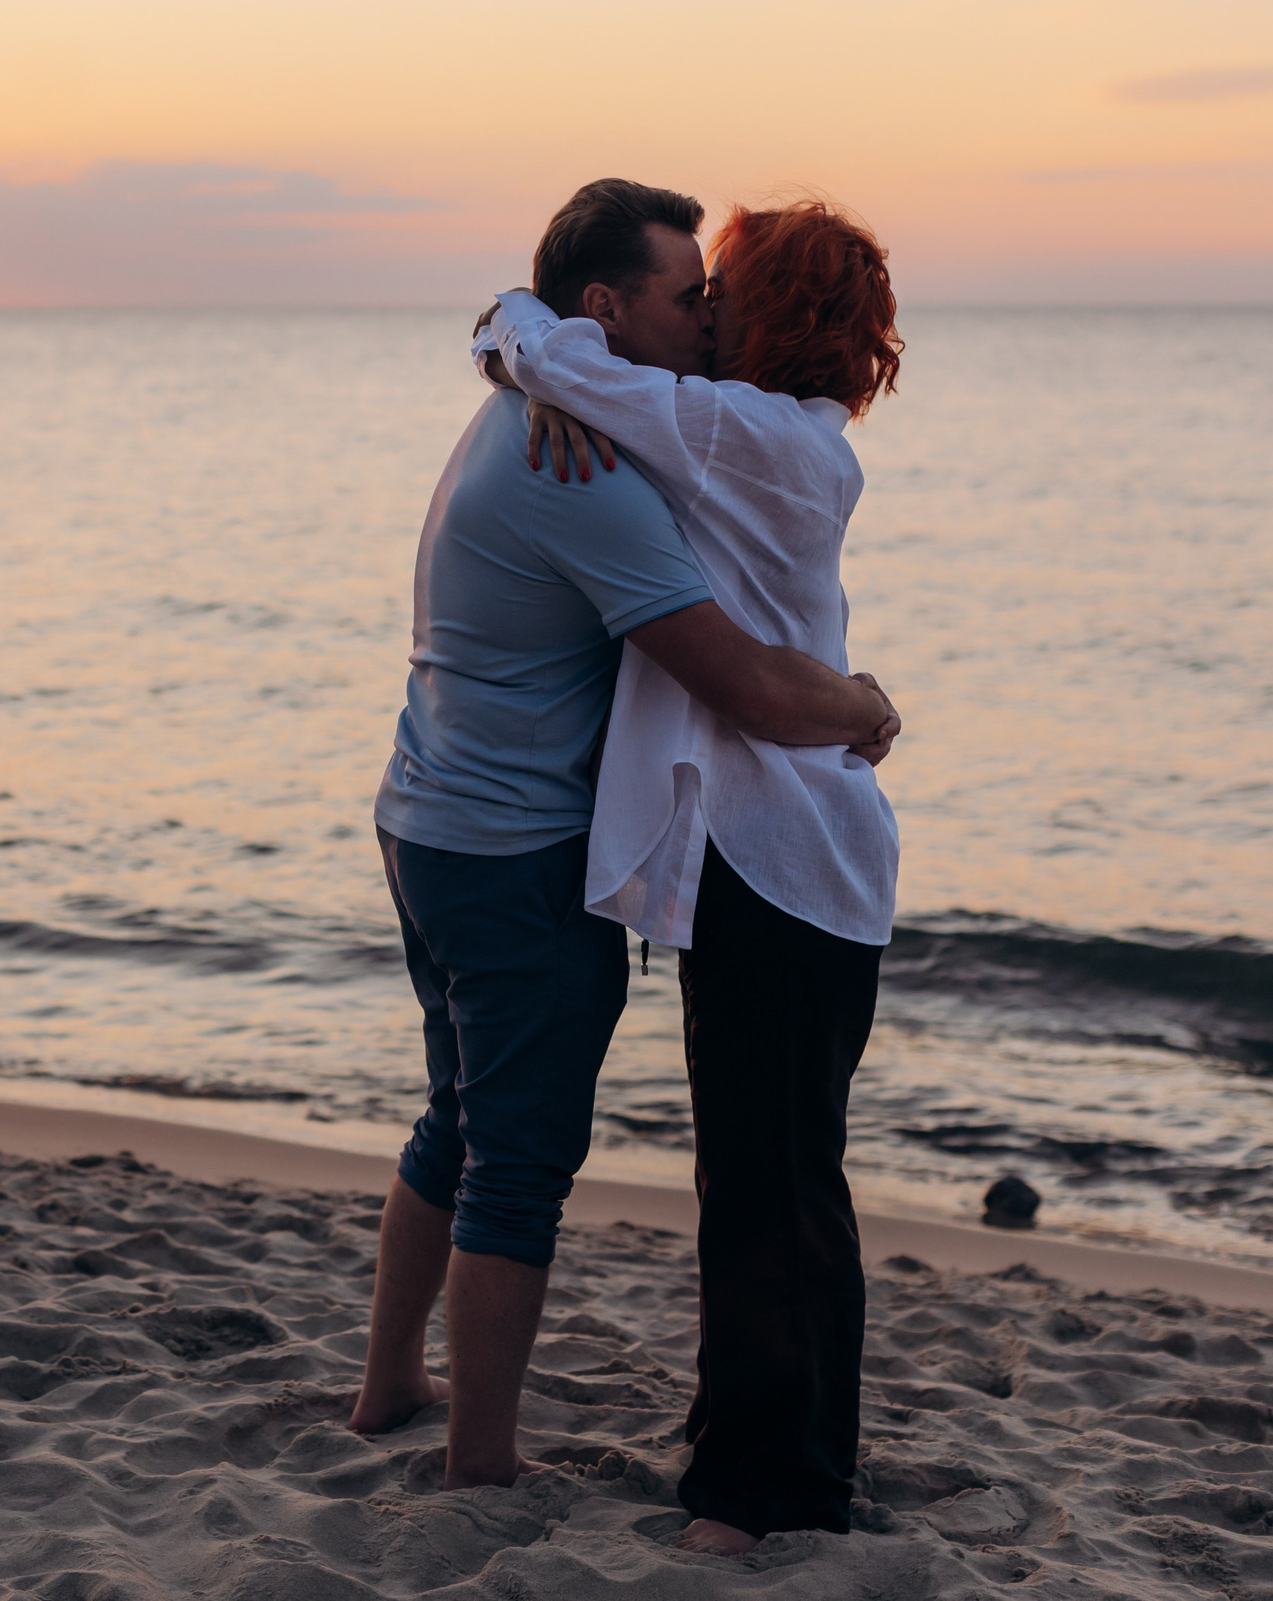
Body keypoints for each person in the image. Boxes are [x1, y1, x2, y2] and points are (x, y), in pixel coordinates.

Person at [350, 179, 899, 1494]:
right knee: (519, 1159)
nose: (706, 316)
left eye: (722, 296)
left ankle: (393, 1388)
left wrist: (516, 342)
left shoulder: (551, 416)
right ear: (606, 310)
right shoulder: (589, 465)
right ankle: (481, 1465)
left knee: (464, 1121)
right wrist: (866, 708)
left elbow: (525, 328)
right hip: (517, 847)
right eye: (689, 294)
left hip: (428, 814)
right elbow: (749, 686)